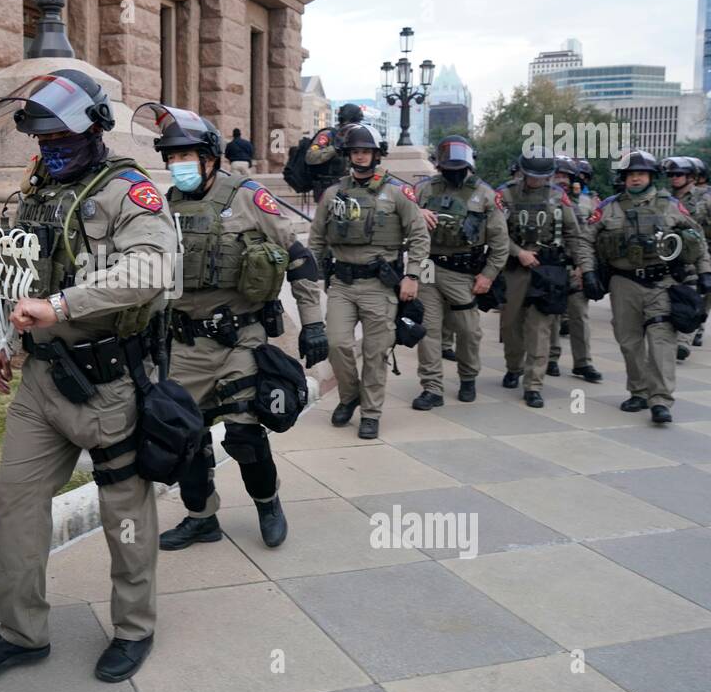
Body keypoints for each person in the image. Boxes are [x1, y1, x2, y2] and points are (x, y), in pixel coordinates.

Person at [0, 70, 175, 683]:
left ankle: (134, 628)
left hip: (111, 384)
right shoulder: (40, 190)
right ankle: (22, 631)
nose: (50, 149)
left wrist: (61, 307)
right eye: (41, 139)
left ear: (96, 130)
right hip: (42, 381)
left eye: (62, 138)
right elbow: (21, 270)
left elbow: (151, 269)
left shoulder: (129, 192)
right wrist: (4, 337)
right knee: (16, 505)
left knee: (123, 512)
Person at [135, 103, 326, 551]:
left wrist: (313, 325)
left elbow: (300, 258)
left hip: (240, 337)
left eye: (187, 155)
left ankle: (267, 502)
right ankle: (202, 518)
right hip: (183, 343)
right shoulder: (166, 206)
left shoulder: (247, 196)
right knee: (188, 437)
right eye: (172, 157)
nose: (178, 164)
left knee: (242, 431)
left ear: (210, 157)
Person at [309, 124, 429, 439]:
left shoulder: (397, 192)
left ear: (376, 155)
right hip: (343, 284)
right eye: (355, 151)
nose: (360, 156)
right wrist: (311, 274)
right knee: (336, 343)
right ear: (348, 155)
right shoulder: (334, 193)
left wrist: (413, 274)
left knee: (376, 352)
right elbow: (317, 238)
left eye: (365, 151)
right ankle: (350, 396)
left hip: (380, 285)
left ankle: (371, 412)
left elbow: (418, 235)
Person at [578, 150, 711, 424]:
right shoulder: (608, 207)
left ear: (651, 176)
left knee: (662, 340)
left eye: (641, 173)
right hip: (623, 282)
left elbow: (696, 239)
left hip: (662, 282)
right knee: (629, 341)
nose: (636, 178)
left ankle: (660, 400)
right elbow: (584, 240)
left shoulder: (671, 205)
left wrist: (706, 272)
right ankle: (638, 391)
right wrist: (589, 272)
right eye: (630, 174)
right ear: (623, 178)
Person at [411, 135, 509, 408]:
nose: (454, 174)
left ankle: (468, 377)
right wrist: (416, 213)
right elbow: (402, 216)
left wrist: (488, 275)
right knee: (428, 330)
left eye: (459, 169)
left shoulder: (486, 195)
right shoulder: (423, 191)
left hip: (464, 272)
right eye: (448, 169)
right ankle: (432, 387)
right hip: (428, 268)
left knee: (468, 331)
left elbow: (500, 242)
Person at [496, 148, 581, 408]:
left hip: (548, 269)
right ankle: (514, 367)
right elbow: (495, 233)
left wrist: (579, 265)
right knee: (510, 325)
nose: (535, 180)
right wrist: (518, 252)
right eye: (531, 175)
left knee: (539, 329)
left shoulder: (559, 197)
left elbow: (573, 233)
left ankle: (533, 384)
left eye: (541, 176)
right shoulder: (506, 194)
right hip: (514, 267)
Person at [665, 155, 711, 355]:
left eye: (679, 174)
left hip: (705, 252)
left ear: (691, 177)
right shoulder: (664, 199)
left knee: (706, 290)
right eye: (671, 174)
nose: (674, 178)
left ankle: (686, 337)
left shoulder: (708, 199)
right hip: (673, 254)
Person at [546, 156, 603, 383]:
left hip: (575, 266)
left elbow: (592, 237)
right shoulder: (545, 199)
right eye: (557, 175)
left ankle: (583, 362)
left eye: (565, 176)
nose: (561, 180)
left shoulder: (589, 202)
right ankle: (550, 358)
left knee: (579, 316)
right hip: (550, 266)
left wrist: (585, 267)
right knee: (550, 316)